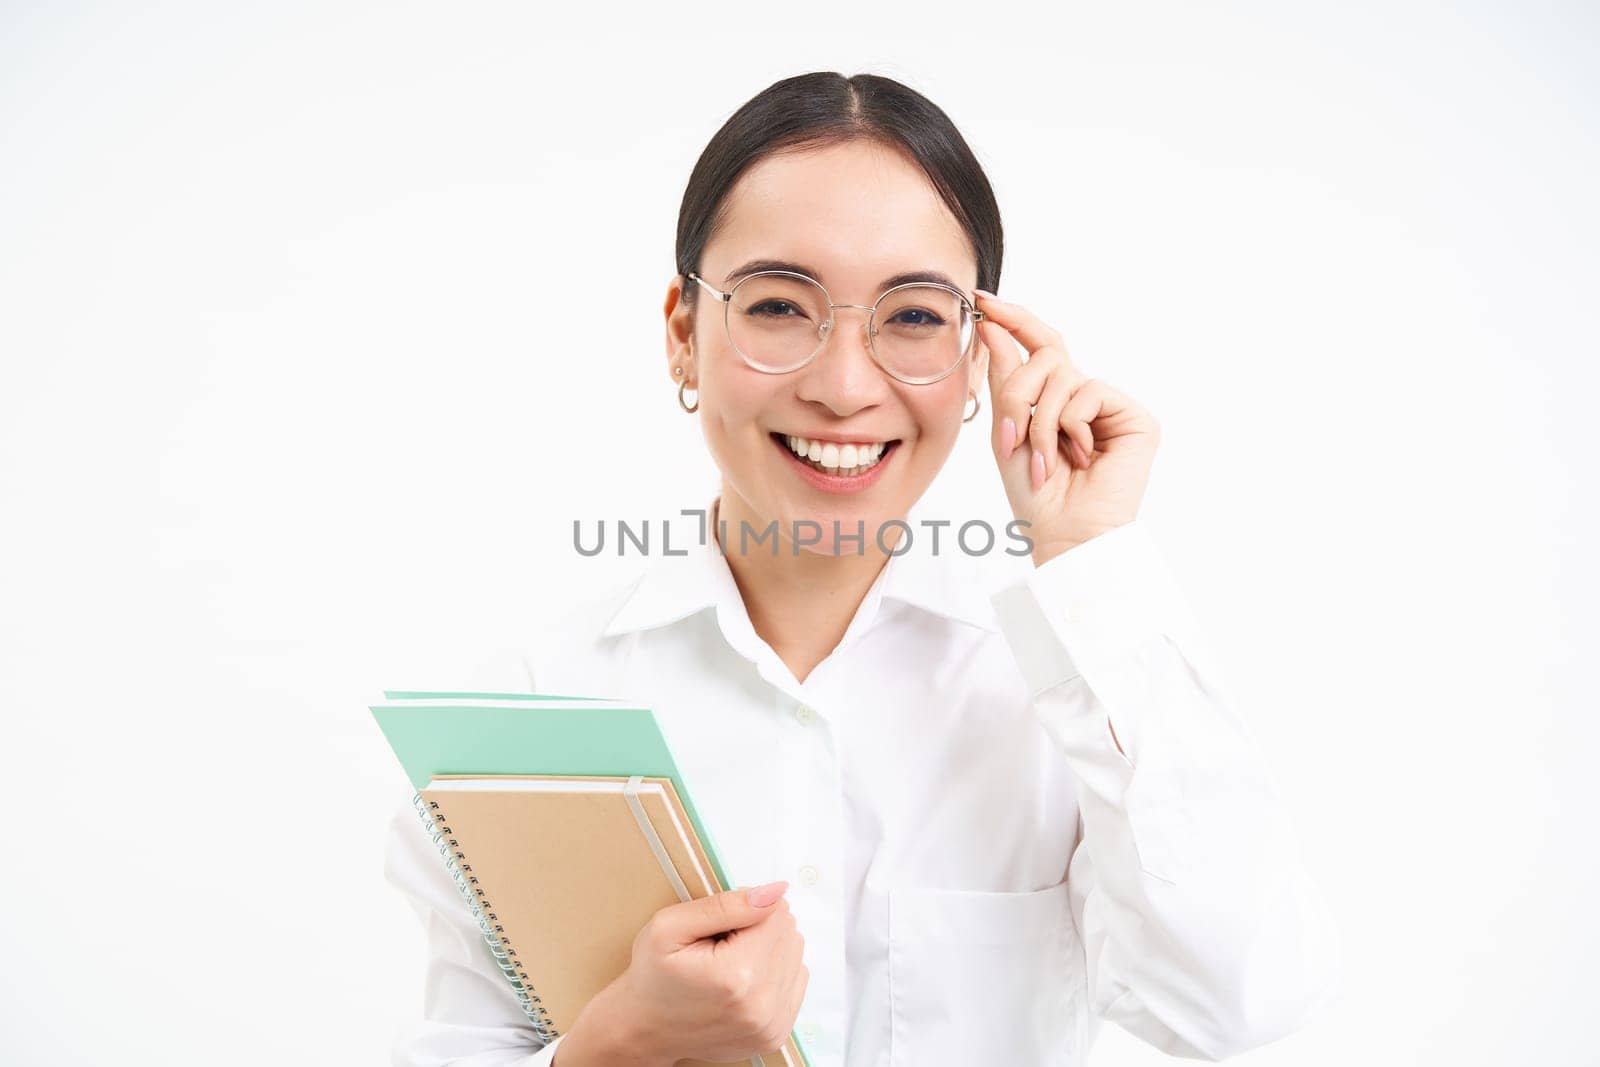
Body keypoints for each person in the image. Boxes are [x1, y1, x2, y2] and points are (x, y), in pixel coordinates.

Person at [383, 70, 1339, 1067]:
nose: (844, 387)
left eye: (916, 316)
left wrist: (1088, 557)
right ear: (683, 336)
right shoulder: (540, 706)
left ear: (979, 359)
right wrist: (618, 1043)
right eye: (778, 306)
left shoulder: (1065, 689)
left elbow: (1238, 999)